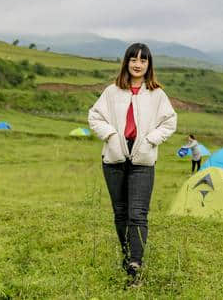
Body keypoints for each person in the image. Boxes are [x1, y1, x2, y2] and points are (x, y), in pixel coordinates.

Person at [88, 43, 177, 286]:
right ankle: (127, 257)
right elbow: (94, 116)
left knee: (137, 214)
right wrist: (110, 135)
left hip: (143, 160)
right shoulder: (112, 91)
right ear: (126, 62)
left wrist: (150, 140)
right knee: (120, 213)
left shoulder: (156, 93)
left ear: (149, 65)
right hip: (115, 158)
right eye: (134, 59)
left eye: (143, 60)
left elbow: (169, 122)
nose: (138, 64)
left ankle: (136, 263)